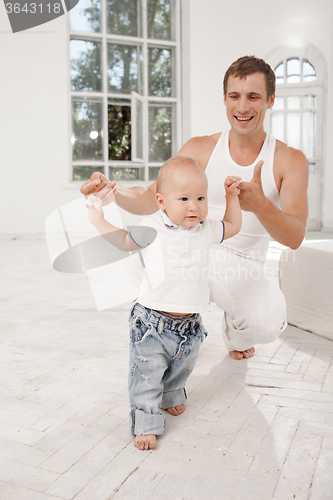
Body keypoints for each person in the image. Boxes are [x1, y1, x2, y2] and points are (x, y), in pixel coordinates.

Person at [81, 55, 309, 361]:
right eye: (234, 96)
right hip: (187, 246)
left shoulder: (289, 159)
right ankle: (161, 335)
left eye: (253, 97)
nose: (242, 107)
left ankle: (236, 331)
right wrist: (112, 189)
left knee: (267, 325)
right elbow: (152, 196)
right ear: (225, 99)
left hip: (239, 264)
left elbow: (294, 236)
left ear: (270, 100)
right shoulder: (200, 148)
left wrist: (261, 205)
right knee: (141, 246)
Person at [86, 156, 242, 450]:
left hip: (190, 326)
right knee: (147, 375)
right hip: (151, 323)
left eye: (200, 198)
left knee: (182, 366)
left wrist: (232, 197)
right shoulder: (153, 227)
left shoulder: (206, 229)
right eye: (183, 198)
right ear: (161, 201)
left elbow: (233, 225)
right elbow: (123, 241)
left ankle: (171, 394)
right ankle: (145, 422)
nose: (193, 206)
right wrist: (98, 220)